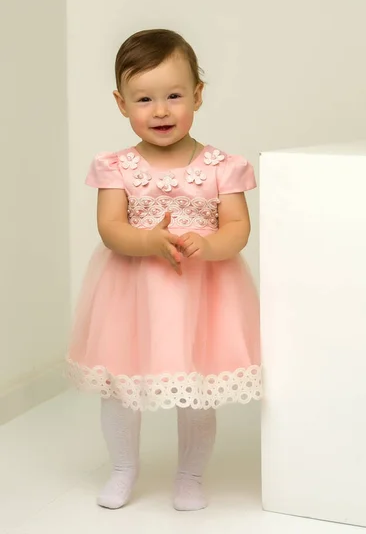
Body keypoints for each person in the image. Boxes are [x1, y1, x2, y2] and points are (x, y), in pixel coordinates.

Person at [67, 28, 261, 511]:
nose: (159, 110)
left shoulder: (222, 165)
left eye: (174, 96)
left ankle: (191, 475)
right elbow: (110, 228)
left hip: (201, 292)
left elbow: (238, 228)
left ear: (197, 94)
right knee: (120, 386)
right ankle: (122, 468)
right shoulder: (116, 165)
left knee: (196, 388)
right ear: (120, 102)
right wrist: (148, 240)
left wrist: (209, 244)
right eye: (143, 99)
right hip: (132, 292)